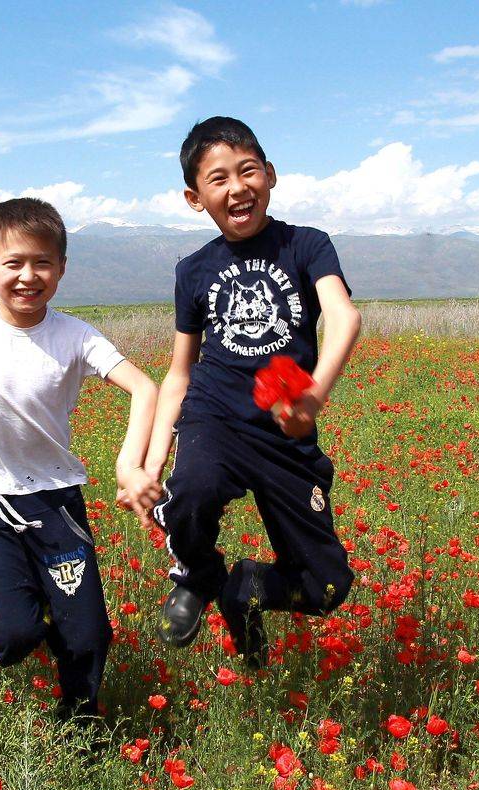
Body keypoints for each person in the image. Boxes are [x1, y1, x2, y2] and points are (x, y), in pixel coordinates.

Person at [0, 197, 160, 719]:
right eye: (13, 263)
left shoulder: (76, 335)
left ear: (62, 268)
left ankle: (81, 728)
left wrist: (130, 464)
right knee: (14, 638)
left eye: (42, 262)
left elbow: (144, 387)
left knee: (88, 635)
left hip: (56, 499)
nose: (28, 276)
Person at [147, 116, 362, 668]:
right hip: (214, 418)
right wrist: (152, 460)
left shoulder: (306, 245)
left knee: (325, 587)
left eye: (248, 171)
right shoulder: (193, 271)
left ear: (270, 174)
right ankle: (198, 575)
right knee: (191, 493)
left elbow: (343, 316)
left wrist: (312, 395)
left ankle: (241, 590)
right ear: (195, 199)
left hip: (285, 432)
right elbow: (179, 373)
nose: (237, 187)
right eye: (218, 179)